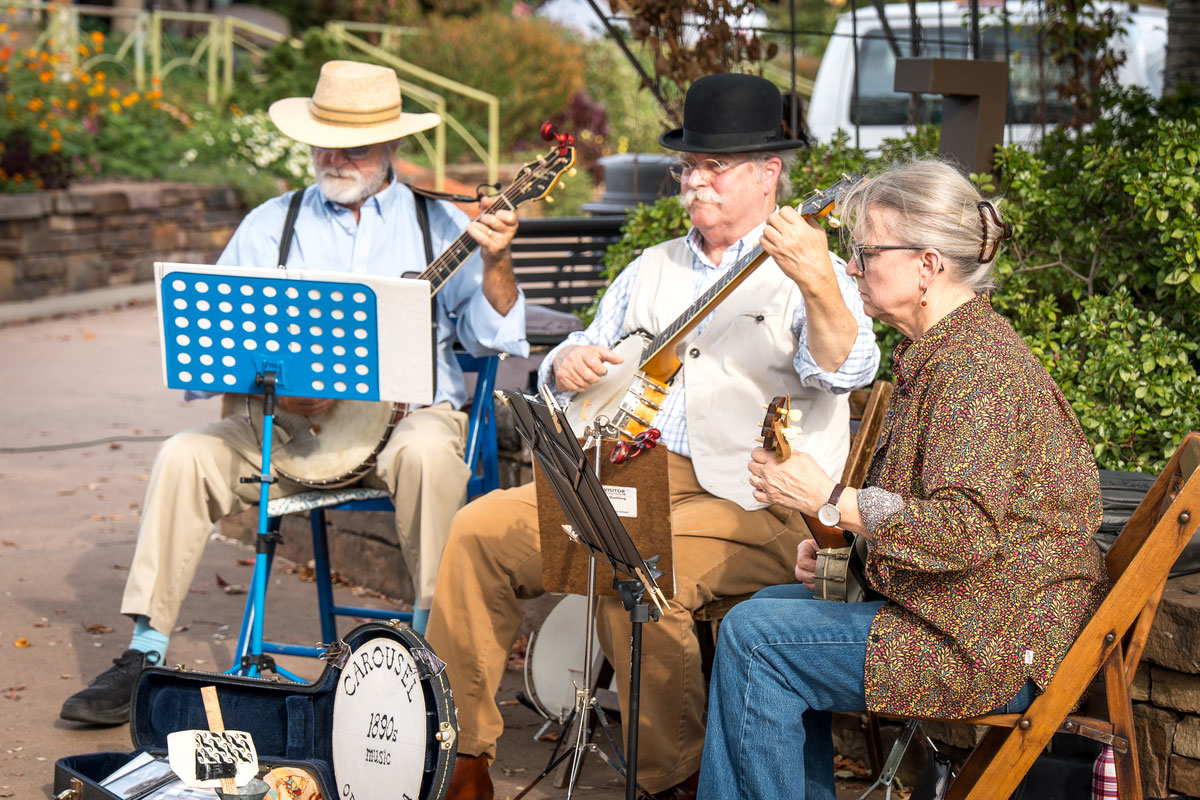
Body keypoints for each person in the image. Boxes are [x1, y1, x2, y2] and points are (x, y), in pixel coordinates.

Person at [427, 72, 881, 800]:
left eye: (715, 167)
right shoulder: (653, 266)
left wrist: (822, 285)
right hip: (627, 477)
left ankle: (672, 781)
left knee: (634, 566)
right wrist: (565, 360)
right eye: (688, 166)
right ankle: (464, 761)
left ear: (770, 174)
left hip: (759, 504)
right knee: (479, 531)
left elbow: (847, 367)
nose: (695, 182)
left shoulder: (811, 272)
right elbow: (580, 352)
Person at [59, 60, 528, 726]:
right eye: (323, 141)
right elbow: (208, 350)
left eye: (354, 146)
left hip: (409, 421)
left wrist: (495, 260)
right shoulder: (269, 224)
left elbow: (494, 339)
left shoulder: (440, 223)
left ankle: (426, 652)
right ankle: (144, 648)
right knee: (184, 455)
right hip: (283, 425)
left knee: (429, 453)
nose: (335, 157)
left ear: (392, 147)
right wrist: (260, 377)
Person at [698, 159, 1109, 799]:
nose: (854, 268)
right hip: (969, 612)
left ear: (927, 265)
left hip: (990, 642)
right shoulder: (946, 351)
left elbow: (962, 531)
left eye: (866, 253)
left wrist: (831, 500)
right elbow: (940, 514)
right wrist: (847, 552)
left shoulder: (976, 369)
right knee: (764, 612)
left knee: (757, 641)